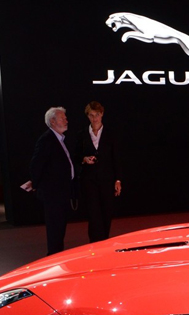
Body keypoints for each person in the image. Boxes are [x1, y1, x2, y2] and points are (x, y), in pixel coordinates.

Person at [30, 107, 76, 256]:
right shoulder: (47, 140)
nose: (66, 120)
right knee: (55, 228)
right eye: (63, 118)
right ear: (53, 121)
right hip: (53, 193)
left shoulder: (60, 139)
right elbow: (36, 164)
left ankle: (57, 254)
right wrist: (36, 185)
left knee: (59, 227)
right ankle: (54, 256)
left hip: (61, 192)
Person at [77, 101, 121, 242]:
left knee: (106, 212)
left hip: (107, 179)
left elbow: (116, 158)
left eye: (97, 114)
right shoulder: (81, 134)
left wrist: (118, 179)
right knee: (93, 213)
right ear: (87, 116)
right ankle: (95, 243)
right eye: (91, 115)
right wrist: (84, 159)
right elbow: (75, 155)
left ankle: (104, 241)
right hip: (89, 180)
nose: (94, 118)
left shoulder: (110, 134)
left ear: (102, 114)